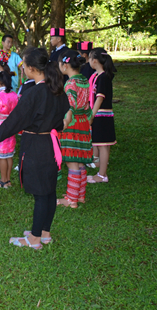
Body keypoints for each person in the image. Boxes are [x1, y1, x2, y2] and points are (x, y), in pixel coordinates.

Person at [0, 48, 69, 249]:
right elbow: (63, 118)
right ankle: (44, 232)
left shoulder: (34, 93)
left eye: (24, 66)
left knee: (41, 193)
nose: (23, 70)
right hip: (52, 145)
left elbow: (14, 122)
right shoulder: (57, 89)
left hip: (37, 146)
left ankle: (35, 239)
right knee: (49, 190)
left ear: (31, 68)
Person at [56, 50, 93, 208]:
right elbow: (87, 105)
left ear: (65, 65)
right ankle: (80, 195)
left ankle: (71, 199)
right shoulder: (84, 80)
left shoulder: (70, 83)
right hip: (83, 122)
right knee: (80, 161)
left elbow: (70, 106)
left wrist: (63, 122)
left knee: (72, 162)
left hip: (72, 124)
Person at [87, 48, 117, 184]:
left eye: (89, 58)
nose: (88, 61)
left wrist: (91, 115)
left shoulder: (103, 77)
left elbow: (99, 98)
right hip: (100, 114)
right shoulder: (98, 76)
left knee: (103, 145)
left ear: (94, 61)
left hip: (102, 115)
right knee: (102, 145)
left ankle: (102, 175)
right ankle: (101, 171)